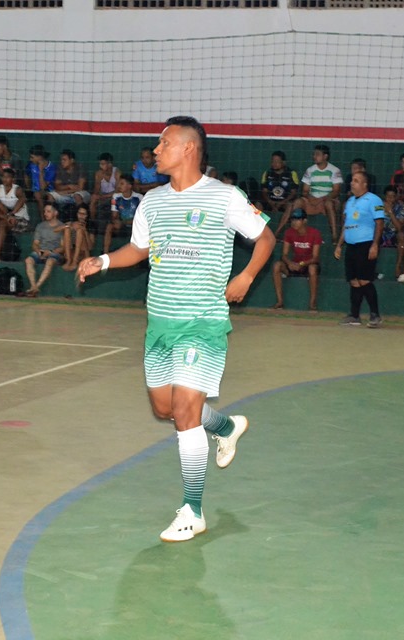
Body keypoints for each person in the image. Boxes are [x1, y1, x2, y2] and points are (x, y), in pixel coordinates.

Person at [77, 116, 275, 542]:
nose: (156, 149)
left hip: (201, 323)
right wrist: (104, 260)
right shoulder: (152, 202)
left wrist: (244, 278)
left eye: (164, 142)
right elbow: (139, 249)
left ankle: (193, 510)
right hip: (160, 325)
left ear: (188, 149)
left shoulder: (224, 197)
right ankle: (225, 427)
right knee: (165, 409)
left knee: (184, 416)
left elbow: (265, 239)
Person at [334, 171, 385, 327]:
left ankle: (375, 315)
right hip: (351, 245)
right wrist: (339, 245)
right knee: (354, 281)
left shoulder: (373, 200)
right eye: (352, 181)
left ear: (365, 184)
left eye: (356, 181)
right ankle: (354, 316)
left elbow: (379, 223)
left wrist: (375, 244)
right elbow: (346, 225)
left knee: (364, 280)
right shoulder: (349, 202)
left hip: (366, 244)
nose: (352, 183)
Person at [286, 144, 342, 243]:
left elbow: (336, 191)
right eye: (314, 154)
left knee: (329, 203)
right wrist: (310, 198)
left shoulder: (335, 170)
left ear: (325, 156)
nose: (314, 156)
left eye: (317, 154)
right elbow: (305, 191)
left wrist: (323, 199)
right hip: (311, 201)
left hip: (326, 201)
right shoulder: (310, 170)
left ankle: (334, 236)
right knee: (297, 203)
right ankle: (292, 234)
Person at [272, 209, 322, 311]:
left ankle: (312, 304)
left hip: (307, 265)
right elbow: (284, 255)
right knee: (277, 265)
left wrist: (302, 264)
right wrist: (290, 263)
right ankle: (280, 302)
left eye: (297, 220)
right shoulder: (289, 232)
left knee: (312, 268)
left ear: (304, 221)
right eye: (293, 220)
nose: (294, 222)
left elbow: (316, 257)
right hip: (294, 265)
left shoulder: (315, 233)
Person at [24, 202, 66, 297]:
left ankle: (36, 286)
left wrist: (50, 252)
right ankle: (34, 286)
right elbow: (35, 244)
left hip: (54, 253)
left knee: (50, 261)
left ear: (55, 213)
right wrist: (39, 251)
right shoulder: (40, 226)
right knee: (28, 260)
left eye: (48, 211)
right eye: (44, 211)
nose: (45, 214)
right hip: (41, 251)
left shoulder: (61, 226)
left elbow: (63, 248)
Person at [103, 175, 142, 253]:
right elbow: (114, 215)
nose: (119, 186)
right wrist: (116, 221)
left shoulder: (139, 198)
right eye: (119, 183)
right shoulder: (116, 197)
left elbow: (140, 219)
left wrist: (124, 222)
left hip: (134, 226)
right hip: (121, 225)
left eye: (122, 184)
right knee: (109, 226)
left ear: (129, 186)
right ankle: (105, 254)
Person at [259, 150, 299, 220]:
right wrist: (270, 202)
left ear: (283, 162)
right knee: (257, 205)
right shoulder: (267, 173)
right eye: (272, 161)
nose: (274, 163)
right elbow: (264, 191)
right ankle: (259, 228)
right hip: (270, 201)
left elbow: (293, 193)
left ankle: (278, 230)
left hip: (284, 202)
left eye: (277, 161)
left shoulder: (291, 173)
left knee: (290, 206)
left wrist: (282, 202)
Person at [62, 203, 98, 272]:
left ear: (87, 215)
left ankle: (75, 262)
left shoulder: (91, 225)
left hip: (84, 252)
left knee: (80, 231)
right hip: (72, 251)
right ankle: (68, 260)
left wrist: (85, 231)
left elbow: (90, 247)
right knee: (67, 230)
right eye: (79, 213)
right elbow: (57, 231)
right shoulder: (73, 223)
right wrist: (70, 226)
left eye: (84, 214)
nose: (81, 216)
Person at [25, 145, 57, 214]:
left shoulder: (51, 167)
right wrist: (28, 186)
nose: (30, 159)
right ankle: (43, 221)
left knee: (40, 195)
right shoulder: (31, 164)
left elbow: (43, 187)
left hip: (48, 191)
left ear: (39, 157)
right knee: (36, 194)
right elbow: (26, 174)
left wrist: (41, 170)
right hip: (35, 191)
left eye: (32, 157)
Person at [89, 152, 120, 221]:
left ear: (110, 164)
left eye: (103, 164)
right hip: (103, 196)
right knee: (93, 199)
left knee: (115, 198)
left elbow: (118, 191)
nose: (100, 166)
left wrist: (104, 196)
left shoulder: (117, 172)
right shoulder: (98, 174)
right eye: (100, 164)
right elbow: (96, 191)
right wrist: (98, 196)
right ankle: (93, 222)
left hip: (113, 196)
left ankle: (113, 222)